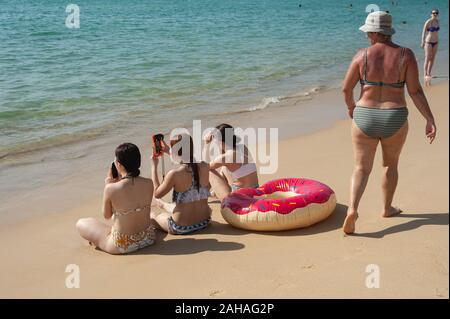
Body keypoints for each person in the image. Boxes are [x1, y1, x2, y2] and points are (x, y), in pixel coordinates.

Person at [341, 11, 436, 234]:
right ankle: (387, 208)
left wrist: (351, 107)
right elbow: (415, 91)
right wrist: (429, 119)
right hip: (394, 116)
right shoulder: (406, 55)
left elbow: (346, 89)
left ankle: (353, 210)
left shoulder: (361, 55)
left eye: (368, 32)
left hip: (365, 115)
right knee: (390, 165)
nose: (366, 36)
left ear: (374, 33)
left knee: (361, 168)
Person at [76, 143, 156, 254]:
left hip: (122, 245)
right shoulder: (148, 183)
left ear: (118, 164)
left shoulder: (111, 188)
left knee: (81, 223)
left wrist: (108, 185)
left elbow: (107, 215)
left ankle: (101, 240)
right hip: (148, 238)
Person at [151, 133, 212, 235]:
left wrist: (154, 166)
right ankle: (163, 205)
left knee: (154, 218)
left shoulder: (174, 174)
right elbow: (208, 186)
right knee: (185, 200)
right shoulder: (205, 166)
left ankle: (160, 208)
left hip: (181, 227)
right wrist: (168, 150)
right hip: (205, 222)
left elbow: (157, 194)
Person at [203, 124, 259, 201]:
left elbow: (205, 166)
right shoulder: (242, 147)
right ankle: (213, 193)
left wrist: (206, 144)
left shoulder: (226, 157)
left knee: (209, 170)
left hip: (241, 197)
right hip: (254, 190)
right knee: (224, 168)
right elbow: (225, 160)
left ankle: (203, 194)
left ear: (220, 141)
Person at [421, 9, 440, 83]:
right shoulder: (428, 22)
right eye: (433, 13)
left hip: (436, 42)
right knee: (427, 57)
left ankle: (429, 73)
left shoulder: (438, 21)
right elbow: (423, 32)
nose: (435, 14)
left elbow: (436, 32)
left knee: (433, 58)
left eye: (436, 13)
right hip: (428, 42)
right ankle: (425, 74)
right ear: (431, 14)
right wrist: (422, 41)